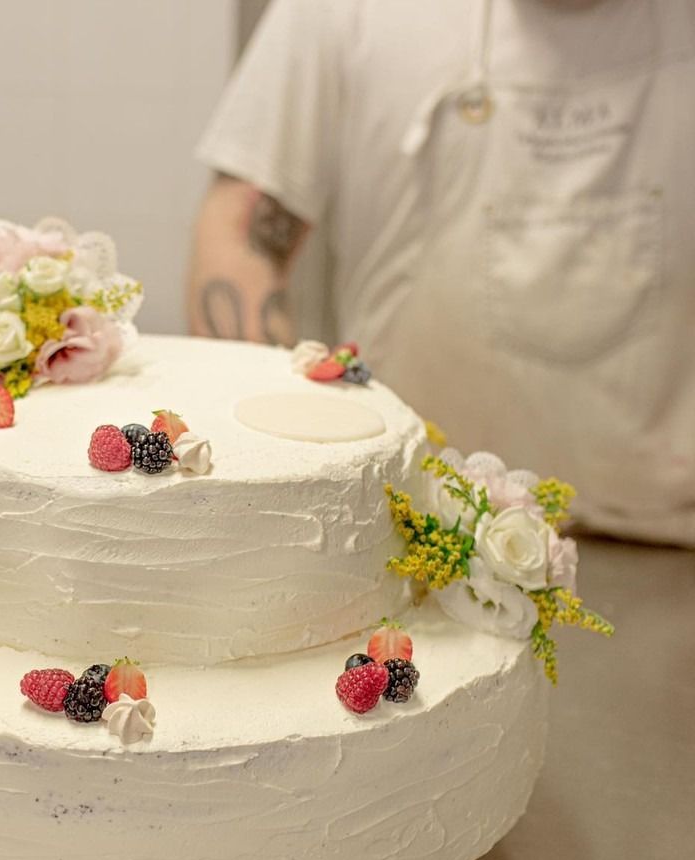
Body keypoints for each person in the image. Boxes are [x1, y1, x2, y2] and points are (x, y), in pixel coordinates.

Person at [188, 0, 695, 547]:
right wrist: (276, 466)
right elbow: (244, 236)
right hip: (399, 534)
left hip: (666, 546)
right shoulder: (342, 12)